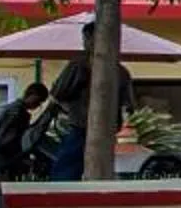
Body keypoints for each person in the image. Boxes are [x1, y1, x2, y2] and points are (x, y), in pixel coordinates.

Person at [44, 23, 135, 180]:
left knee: (65, 173)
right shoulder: (120, 70)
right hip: (107, 130)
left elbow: (58, 93)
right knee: (98, 171)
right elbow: (129, 105)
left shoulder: (79, 65)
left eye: (86, 39)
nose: (85, 43)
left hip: (81, 126)